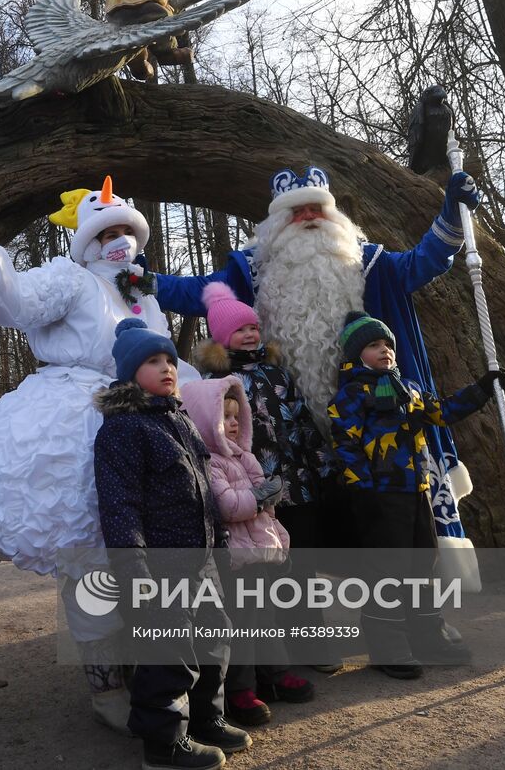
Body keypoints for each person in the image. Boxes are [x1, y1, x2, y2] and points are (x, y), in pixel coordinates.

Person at [156, 165, 485, 621]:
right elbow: (196, 293)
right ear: (275, 225)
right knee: (300, 537)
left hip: (378, 431)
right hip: (294, 440)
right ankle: (310, 631)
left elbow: (424, 261)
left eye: (317, 208)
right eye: (296, 211)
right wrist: (144, 282)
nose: (309, 217)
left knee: (395, 526)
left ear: (334, 217)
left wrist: (452, 214)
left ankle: (413, 624)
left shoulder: (365, 261)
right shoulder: (251, 270)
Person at [0, 177, 184, 730]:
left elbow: (165, 360)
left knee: (148, 547)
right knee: (90, 554)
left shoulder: (142, 293)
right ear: (88, 241)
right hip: (79, 417)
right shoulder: (71, 279)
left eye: (126, 230)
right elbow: (17, 302)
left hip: (146, 417)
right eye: (107, 231)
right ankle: (105, 686)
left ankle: (153, 670)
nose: (118, 240)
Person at [94, 318, 249, 770]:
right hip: (159, 566)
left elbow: (203, 491)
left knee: (213, 638)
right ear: (128, 373)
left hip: (199, 559)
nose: (166, 368)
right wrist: (134, 570)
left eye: (169, 360)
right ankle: (164, 744)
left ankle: (207, 718)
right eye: (152, 361)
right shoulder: (122, 431)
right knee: (170, 653)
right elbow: (120, 505)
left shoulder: (179, 420)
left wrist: (219, 544)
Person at [327, 311, 505, 678]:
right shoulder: (350, 396)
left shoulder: (407, 388)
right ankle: (387, 644)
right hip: (379, 497)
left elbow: (441, 412)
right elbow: (345, 446)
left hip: (417, 490)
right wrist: (363, 492)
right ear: (356, 354)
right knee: (387, 571)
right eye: (374, 346)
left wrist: (482, 388)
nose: (385, 351)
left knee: (424, 565)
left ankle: (427, 633)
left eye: (388, 345)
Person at [191, 282, 340, 675]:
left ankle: (312, 640)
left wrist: (323, 467)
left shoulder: (278, 373)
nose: (251, 334)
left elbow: (303, 421)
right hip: (251, 492)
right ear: (224, 338)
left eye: (254, 327)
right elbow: (216, 435)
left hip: (296, 483)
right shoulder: (217, 382)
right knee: (265, 573)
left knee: (301, 567)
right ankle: (275, 655)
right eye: (241, 330)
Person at [180, 375, 314, 728]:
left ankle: (275, 673)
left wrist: (275, 526)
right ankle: (241, 689)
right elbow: (228, 506)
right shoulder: (209, 461)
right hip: (235, 560)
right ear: (204, 422)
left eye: (237, 416)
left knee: (267, 618)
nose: (235, 423)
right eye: (225, 417)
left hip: (262, 553)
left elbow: (268, 504)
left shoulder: (244, 457)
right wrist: (260, 496)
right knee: (242, 625)